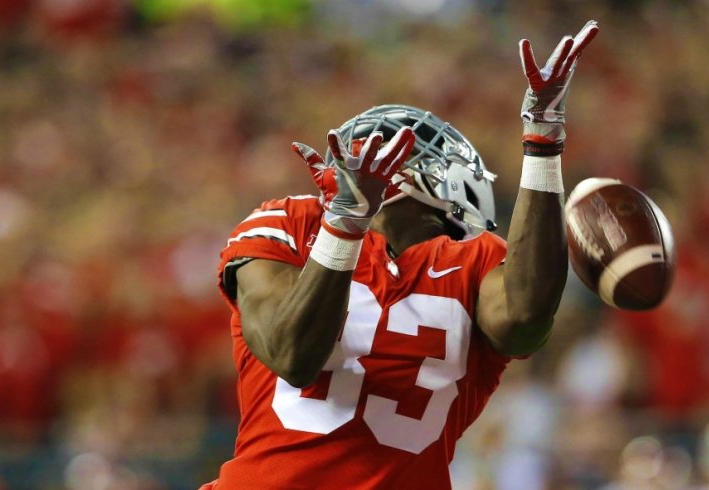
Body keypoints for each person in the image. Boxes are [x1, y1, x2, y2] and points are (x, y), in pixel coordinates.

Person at [201, 20, 600, 490]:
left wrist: (542, 143)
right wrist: (345, 228)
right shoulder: (292, 223)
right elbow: (293, 354)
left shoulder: (472, 260)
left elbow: (528, 317)